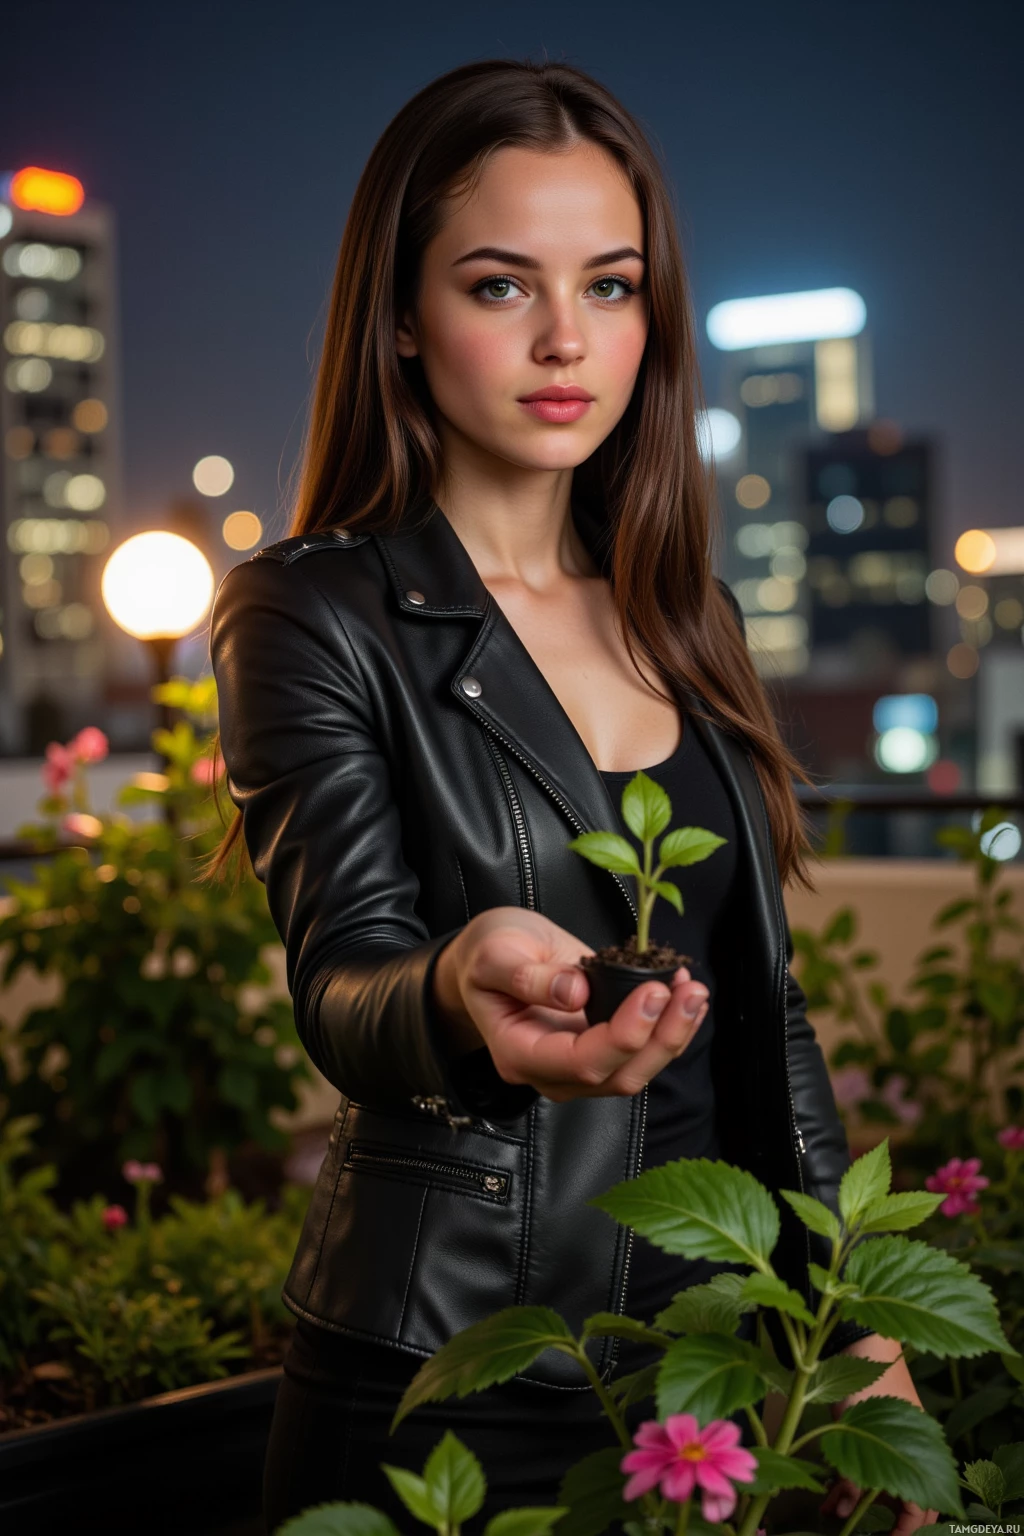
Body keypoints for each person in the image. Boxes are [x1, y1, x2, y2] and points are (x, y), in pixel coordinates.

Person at [209, 59, 937, 1535]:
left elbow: (766, 1008)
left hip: (715, 1375)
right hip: (448, 1366)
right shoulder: (312, 612)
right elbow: (345, 986)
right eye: (498, 286)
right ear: (402, 319)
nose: (564, 339)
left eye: (609, 286)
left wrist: (854, 1327)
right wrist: (459, 986)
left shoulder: (685, 611)